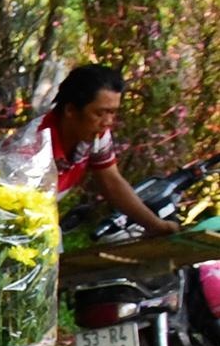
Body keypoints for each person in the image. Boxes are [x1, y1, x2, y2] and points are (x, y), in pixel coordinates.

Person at [36, 64, 177, 234]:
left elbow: (111, 181)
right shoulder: (34, 147)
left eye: (113, 113)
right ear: (71, 110)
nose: (108, 122)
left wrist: (154, 225)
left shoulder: (95, 134)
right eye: (100, 113)